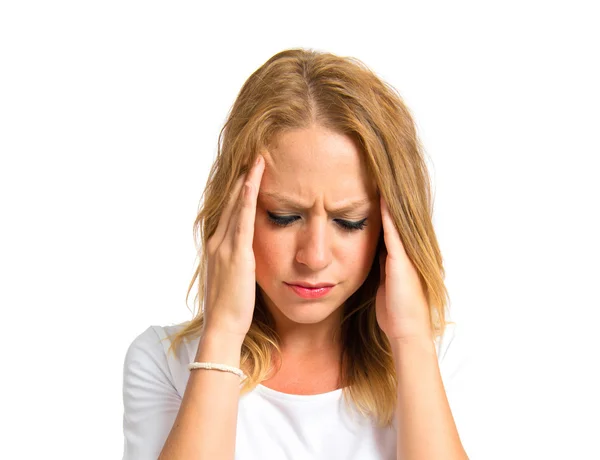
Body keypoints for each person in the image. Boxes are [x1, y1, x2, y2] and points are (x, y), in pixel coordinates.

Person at [122, 48, 470, 460]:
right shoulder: (164, 362)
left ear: (389, 228)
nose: (314, 256)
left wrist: (410, 339)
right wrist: (223, 334)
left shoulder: (438, 355)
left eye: (349, 221)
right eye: (285, 217)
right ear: (237, 213)